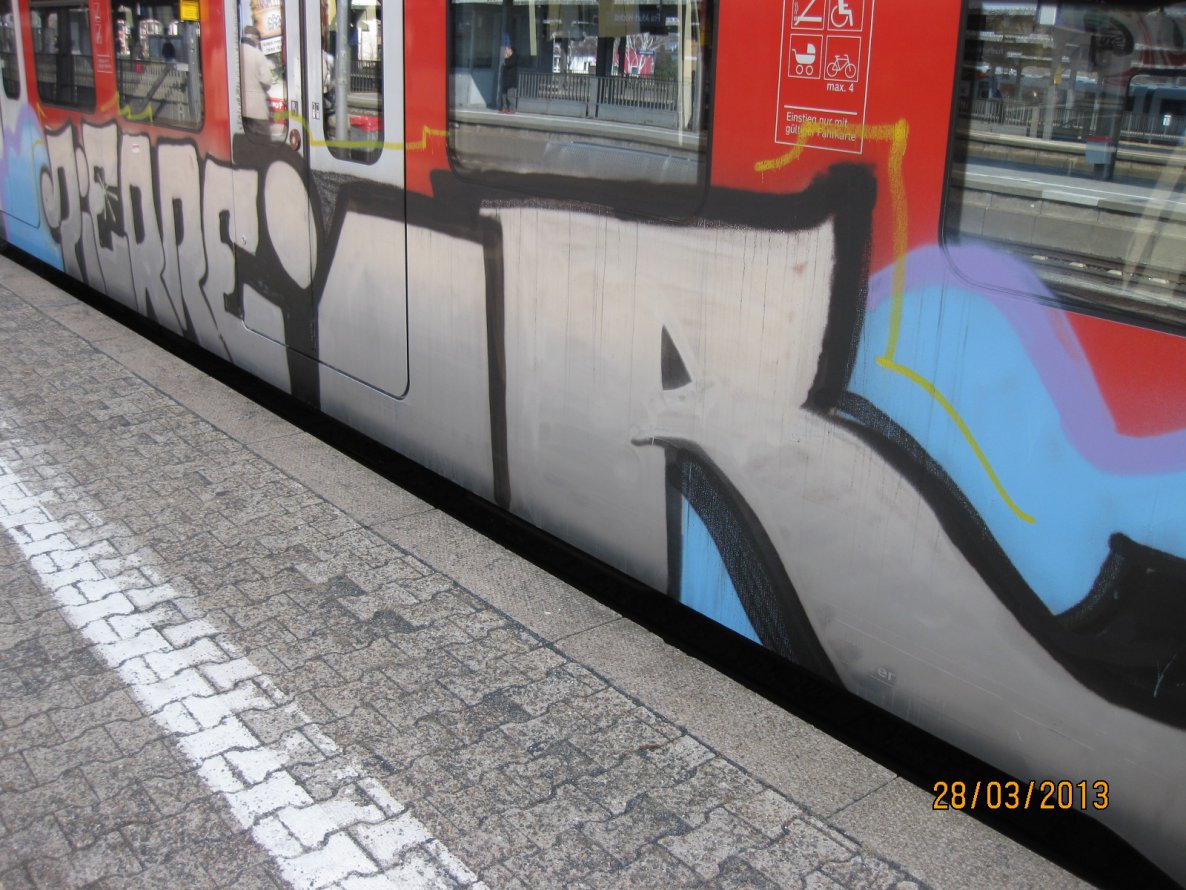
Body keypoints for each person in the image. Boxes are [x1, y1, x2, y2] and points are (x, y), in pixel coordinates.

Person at [240, 25, 274, 139]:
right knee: (264, 141)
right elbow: (266, 80)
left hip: (240, 108)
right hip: (257, 109)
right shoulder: (257, 54)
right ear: (254, 38)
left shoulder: (236, 52)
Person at [499, 44, 518, 113]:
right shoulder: (507, 57)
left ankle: (512, 108)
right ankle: (505, 108)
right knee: (503, 95)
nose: (505, 51)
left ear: (510, 50)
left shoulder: (514, 57)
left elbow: (509, 64)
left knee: (510, 96)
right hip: (506, 80)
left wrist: (506, 58)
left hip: (511, 81)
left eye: (507, 50)